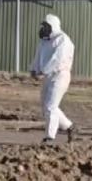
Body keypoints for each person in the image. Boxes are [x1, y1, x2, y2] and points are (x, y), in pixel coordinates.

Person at [30, 14, 77, 143]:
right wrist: (34, 69)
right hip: (48, 76)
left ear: (53, 26)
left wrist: (43, 71)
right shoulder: (44, 41)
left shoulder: (63, 40)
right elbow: (38, 56)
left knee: (51, 106)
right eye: (43, 26)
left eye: (46, 26)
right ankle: (70, 127)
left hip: (60, 75)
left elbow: (57, 59)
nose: (43, 28)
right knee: (47, 107)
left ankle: (49, 137)